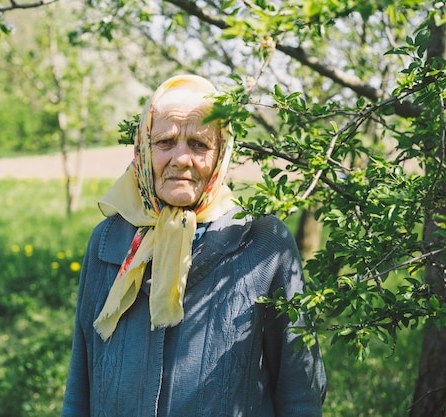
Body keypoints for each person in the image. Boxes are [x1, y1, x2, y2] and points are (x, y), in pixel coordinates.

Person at [61, 74, 326, 417]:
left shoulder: (263, 243)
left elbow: (299, 390)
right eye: (166, 142)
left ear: (221, 155)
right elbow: (80, 382)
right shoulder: (109, 240)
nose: (182, 159)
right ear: (144, 147)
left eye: (199, 145)